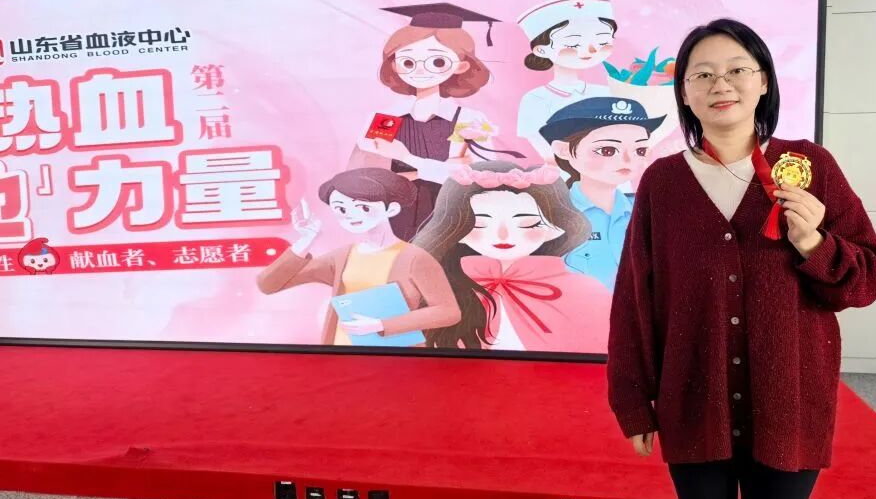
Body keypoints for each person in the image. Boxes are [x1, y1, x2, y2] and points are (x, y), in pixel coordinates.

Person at [606, 18, 876, 499]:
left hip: (790, 403)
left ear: (763, 81)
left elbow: (869, 277)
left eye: (737, 70)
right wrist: (632, 400)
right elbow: (634, 298)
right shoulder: (662, 183)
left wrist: (814, 243)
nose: (721, 84)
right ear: (685, 94)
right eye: (703, 75)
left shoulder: (811, 166)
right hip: (694, 402)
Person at [413, 161, 611, 352]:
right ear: (457, 229)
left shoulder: (585, 291)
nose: (503, 235)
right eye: (480, 224)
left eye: (527, 223)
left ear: (555, 228)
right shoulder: (438, 289)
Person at [256, 168, 460, 346]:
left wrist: (381, 325)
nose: (351, 215)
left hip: (395, 358)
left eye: (363, 207)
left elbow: (448, 311)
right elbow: (268, 284)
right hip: (342, 353)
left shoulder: (415, 257)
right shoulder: (342, 257)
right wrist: (307, 239)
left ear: (392, 209)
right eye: (341, 209)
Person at [351, 3, 503, 241]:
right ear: (394, 64)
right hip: (394, 213)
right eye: (408, 62)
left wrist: (409, 160)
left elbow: (481, 176)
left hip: (453, 212)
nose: (420, 71)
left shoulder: (469, 119)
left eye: (438, 62)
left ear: (461, 65)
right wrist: (449, 166)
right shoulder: (387, 117)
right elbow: (368, 172)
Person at [538, 96, 664, 291]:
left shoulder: (650, 212)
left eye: (639, 150)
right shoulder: (548, 216)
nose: (627, 160)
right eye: (607, 150)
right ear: (564, 150)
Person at [516, 0, 616, 164]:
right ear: (541, 50)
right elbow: (541, 145)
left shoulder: (606, 93)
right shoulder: (536, 99)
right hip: (564, 172)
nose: (592, 50)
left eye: (602, 41)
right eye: (573, 44)